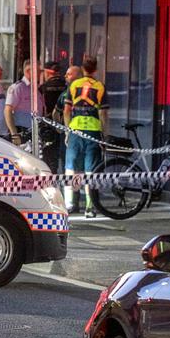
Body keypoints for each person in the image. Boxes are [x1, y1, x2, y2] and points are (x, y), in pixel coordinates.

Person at [61, 56, 108, 218]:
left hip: (75, 132)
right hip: (93, 133)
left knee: (71, 168)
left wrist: (68, 130)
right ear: (95, 69)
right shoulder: (100, 87)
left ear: (83, 68)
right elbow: (103, 113)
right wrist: (104, 134)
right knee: (91, 171)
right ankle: (90, 207)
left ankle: (69, 204)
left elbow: (66, 111)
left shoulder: (74, 85)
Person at [38, 61, 68, 170]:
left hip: (49, 125)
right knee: (65, 156)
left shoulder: (43, 88)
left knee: (50, 157)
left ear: (48, 73)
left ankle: (51, 179)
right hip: (66, 124)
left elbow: (41, 107)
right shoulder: (66, 86)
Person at [4, 62, 41, 147]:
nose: (40, 74)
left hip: (34, 132)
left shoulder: (36, 88)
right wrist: (14, 134)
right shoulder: (18, 87)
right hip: (22, 132)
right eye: (38, 71)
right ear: (28, 71)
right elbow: (7, 110)